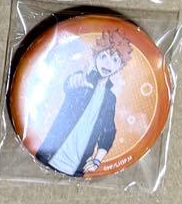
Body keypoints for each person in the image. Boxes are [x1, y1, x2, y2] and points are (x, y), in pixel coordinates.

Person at [36, 29, 133, 177]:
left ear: (120, 66)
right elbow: (69, 85)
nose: (108, 63)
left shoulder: (110, 99)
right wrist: (73, 80)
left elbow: (108, 132)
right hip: (48, 155)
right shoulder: (82, 80)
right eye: (104, 56)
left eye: (115, 60)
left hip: (77, 168)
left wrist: (97, 160)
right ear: (96, 56)